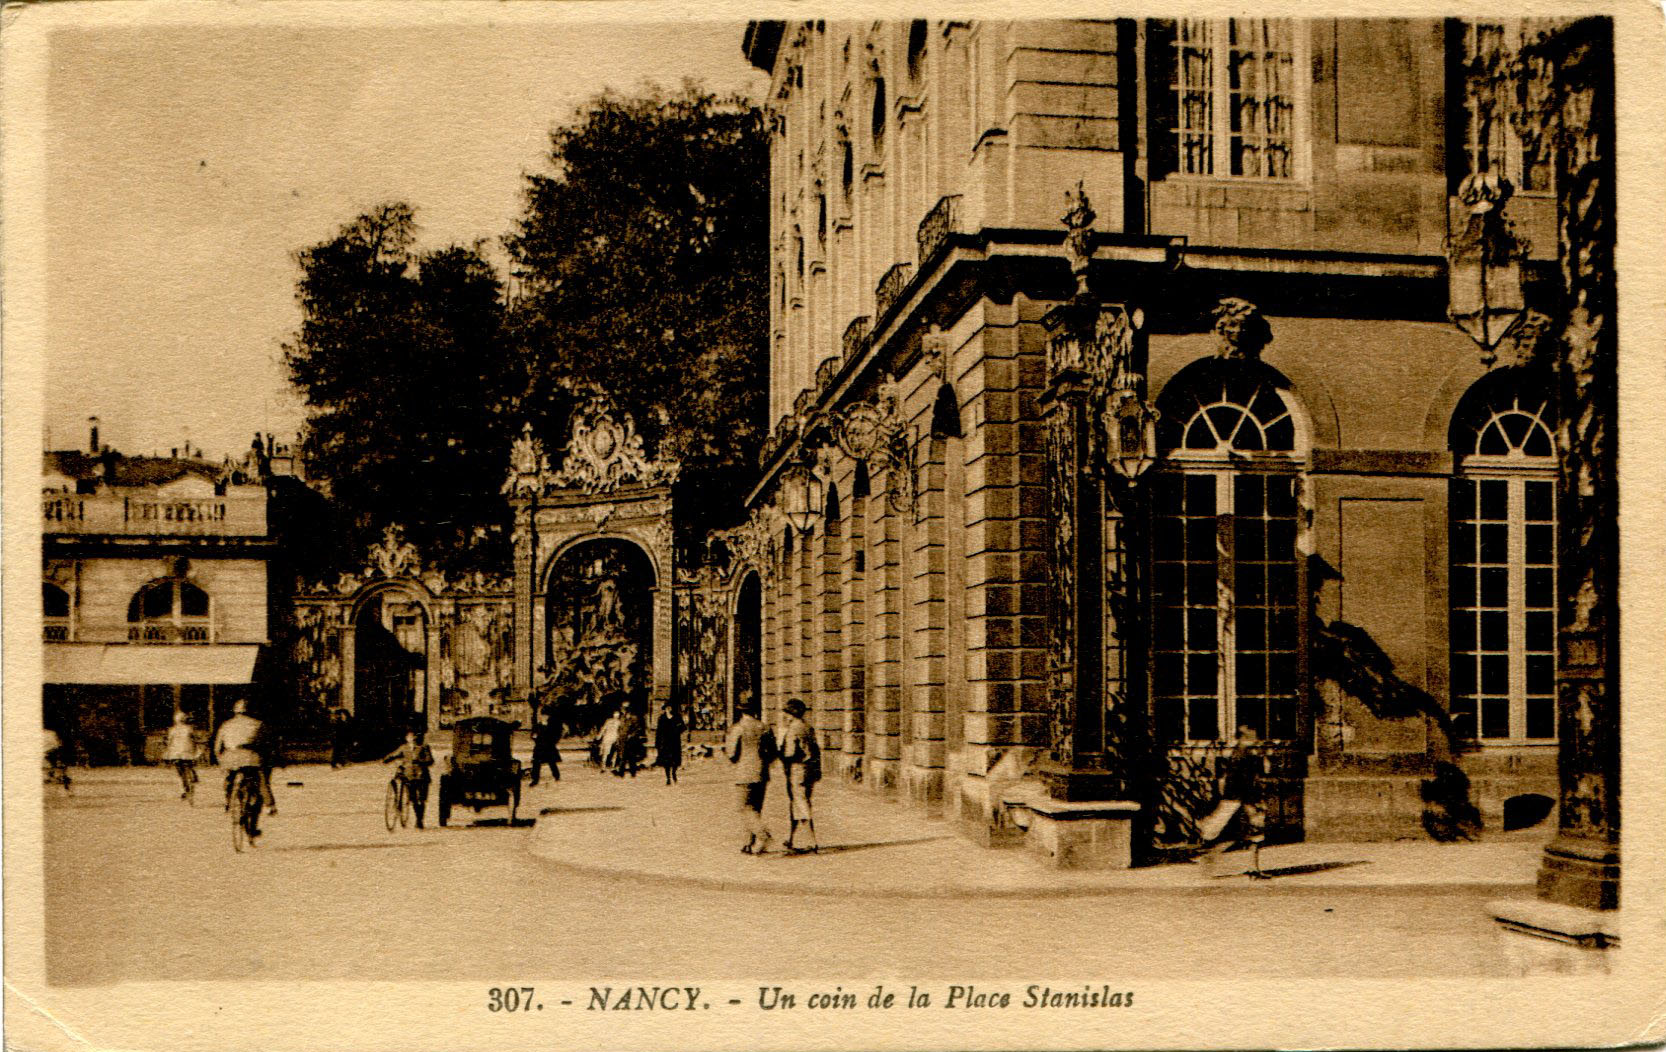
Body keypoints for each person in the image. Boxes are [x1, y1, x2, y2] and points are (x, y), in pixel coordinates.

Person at [1196, 724, 1268, 877]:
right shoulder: (1242, 755)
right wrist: (1249, 802)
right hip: (1240, 802)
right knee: (1241, 835)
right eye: (1252, 735)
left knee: (1251, 835)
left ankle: (1253, 869)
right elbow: (1238, 783)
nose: (1256, 738)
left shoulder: (1245, 753)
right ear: (1244, 737)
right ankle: (1208, 859)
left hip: (1239, 801)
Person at [725, 699, 775, 854]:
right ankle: (748, 843)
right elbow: (773, 752)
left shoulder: (738, 729)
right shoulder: (765, 728)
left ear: (740, 711)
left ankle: (762, 835)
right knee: (755, 808)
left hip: (744, 772)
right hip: (762, 772)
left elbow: (732, 754)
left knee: (744, 807)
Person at [214, 700, 267, 839]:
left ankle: (229, 800)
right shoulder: (258, 724)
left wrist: (221, 762)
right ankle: (253, 828)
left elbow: (217, 748)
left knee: (229, 778)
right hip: (249, 758)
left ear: (235, 711)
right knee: (257, 793)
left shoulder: (226, 725)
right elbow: (264, 746)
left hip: (230, 758)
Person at [778, 698, 821, 854]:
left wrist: (779, 754)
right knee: (797, 802)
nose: (784, 717)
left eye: (787, 713)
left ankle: (812, 841)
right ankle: (790, 838)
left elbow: (789, 753)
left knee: (801, 803)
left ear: (792, 714)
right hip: (809, 769)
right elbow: (815, 750)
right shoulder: (807, 727)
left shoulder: (793, 729)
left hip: (797, 770)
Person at [382, 728, 436, 828]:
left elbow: (431, 760)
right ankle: (418, 819)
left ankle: (420, 819)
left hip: (422, 776)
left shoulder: (424, 747)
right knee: (413, 799)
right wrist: (386, 759)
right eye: (410, 737)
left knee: (422, 799)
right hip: (409, 776)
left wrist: (420, 761)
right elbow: (394, 755)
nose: (412, 739)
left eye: (414, 737)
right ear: (407, 738)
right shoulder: (404, 748)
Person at [162, 711, 199, 800]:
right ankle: (192, 777)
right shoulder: (189, 728)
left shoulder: (172, 730)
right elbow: (194, 739)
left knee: (180, 773)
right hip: (187, 753)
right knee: (189, 767)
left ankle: (183, 790)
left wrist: (167, 752)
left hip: (176, 754)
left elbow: (169, 742)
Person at [529, 706, 563, 787]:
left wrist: (553, 742)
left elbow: (556, 735)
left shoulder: (552, 725)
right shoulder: (538, 724)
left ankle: (557, 776)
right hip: (539, 746)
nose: (544, 717)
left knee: (552, 763)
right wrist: (534, 737)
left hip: (549, 746)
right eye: (542, 715)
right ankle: (535, 779)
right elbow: (533, 734)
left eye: (546, 715)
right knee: (536, 763)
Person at [654, 702, 685, 786]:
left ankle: (674, 773)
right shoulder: (662, 718)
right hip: (665, 742)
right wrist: (657, 743)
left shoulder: (677, 717)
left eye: (670, 707)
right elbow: (658, 731)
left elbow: (683, 727)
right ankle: (668, 778)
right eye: (667, 708)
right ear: (665, 709)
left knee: (675, 760)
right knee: (666, 761)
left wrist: (677, 730)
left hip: (675, 741)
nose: (668, 709)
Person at [598, 709, 622, 775]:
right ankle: (604, 767)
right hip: (609, 738)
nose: (616, 715)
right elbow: (603, 728)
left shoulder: (618, 722)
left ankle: (611, 767)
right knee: (607, 753)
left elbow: (620, 731)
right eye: (615, 714)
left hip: (613, 738)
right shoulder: (610, 721)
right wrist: (599, 736)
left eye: (617, 714)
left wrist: (599, 736)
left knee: (613, 753)